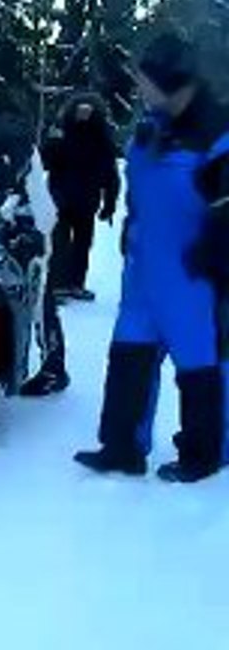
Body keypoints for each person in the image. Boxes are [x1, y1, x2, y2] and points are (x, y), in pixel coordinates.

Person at [75, 33, 229, 483]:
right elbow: (142, 188)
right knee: (128, 356)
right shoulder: (150, 126)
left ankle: (204, 453)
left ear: (171, 82)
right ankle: (121, 447)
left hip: (193, 274)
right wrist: (130, 225)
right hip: (143, 272)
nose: (139, 89)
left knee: (199, 363)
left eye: (145, 81)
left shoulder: (216, 134)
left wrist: (215, 257)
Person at [0, 107, 70, 397]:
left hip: (34, 225)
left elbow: (17, 177)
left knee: (38, 299)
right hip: (23, 221)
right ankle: (22, 363)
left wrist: (6, 204)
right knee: (23, 295)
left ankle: (53, 369)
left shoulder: (2, 137)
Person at [43, 93, 120, 301]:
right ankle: (59, 284)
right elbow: (46, 160)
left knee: (83, 242)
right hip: (61, 196)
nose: (84, 114)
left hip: (87, 199)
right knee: (60, 242)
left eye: (88, 110)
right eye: (81, 110)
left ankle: (76, 283)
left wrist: (110, 201)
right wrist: (52, 144)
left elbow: (110, 172)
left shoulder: (102, 136)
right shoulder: (61, 131)